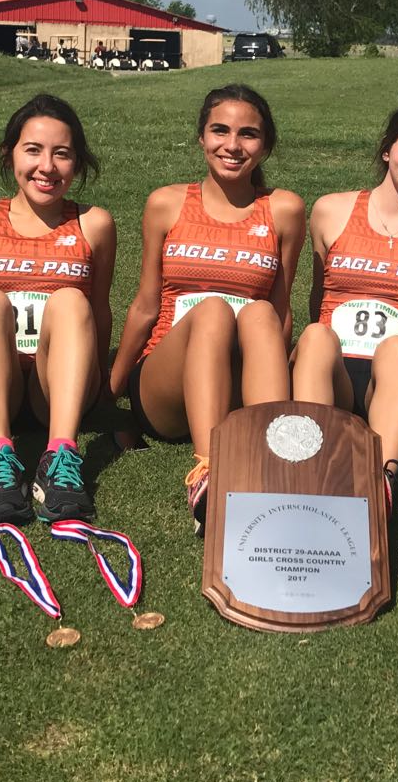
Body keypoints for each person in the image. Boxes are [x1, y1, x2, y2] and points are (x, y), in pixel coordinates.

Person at [108, 85, 304, 533]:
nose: (232, 146)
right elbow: (144, 305)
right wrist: (110, 391)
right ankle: (208, 474)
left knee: (258, 315)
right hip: (165, 387)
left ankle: (277, 464)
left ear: (266, 145)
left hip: (235, 386)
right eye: (220, 130)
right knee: (215, 310)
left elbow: (281, 310)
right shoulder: (167, 203)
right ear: (201, 137)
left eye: (248, 134)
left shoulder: (285, 209)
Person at [0, 95, 115, 527]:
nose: (46, 167)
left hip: (58, 392)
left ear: (78, 162)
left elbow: (100, 312)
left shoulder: (95, 224)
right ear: (9, 152)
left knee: (71, 299)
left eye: (62, 153)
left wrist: (102, 384)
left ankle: (62, 459)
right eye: (33, 150)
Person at [293, 100, 398, 506]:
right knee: (316, 334)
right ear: (387, 149)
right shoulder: (330, 210)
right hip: (334, 372)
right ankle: (304, 473)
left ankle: (381, 484)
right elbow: (318, 297)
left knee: (394, 348)